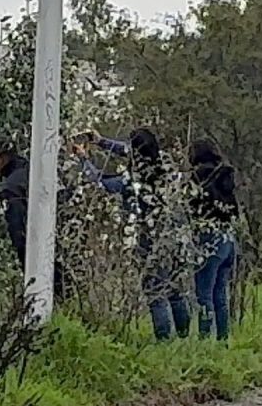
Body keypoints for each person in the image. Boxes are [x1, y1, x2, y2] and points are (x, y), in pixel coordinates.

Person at [80, 127, 196, 340]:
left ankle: (164, 341)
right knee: (174, 290)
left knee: (155, 292)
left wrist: (83, 159)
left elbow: (100, 182)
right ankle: (184, 337)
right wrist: (102, 141)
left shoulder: (133, 181)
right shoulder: (165, 163)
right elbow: (132, 152)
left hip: (150, 238)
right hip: (175, 235)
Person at [187, 138, 240, 341]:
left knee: (204, 295)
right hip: (227, 240)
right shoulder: (225, 177)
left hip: (208, 241)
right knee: (220, 294)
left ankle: (204, 339)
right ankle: (223, 339)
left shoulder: (198, 177)